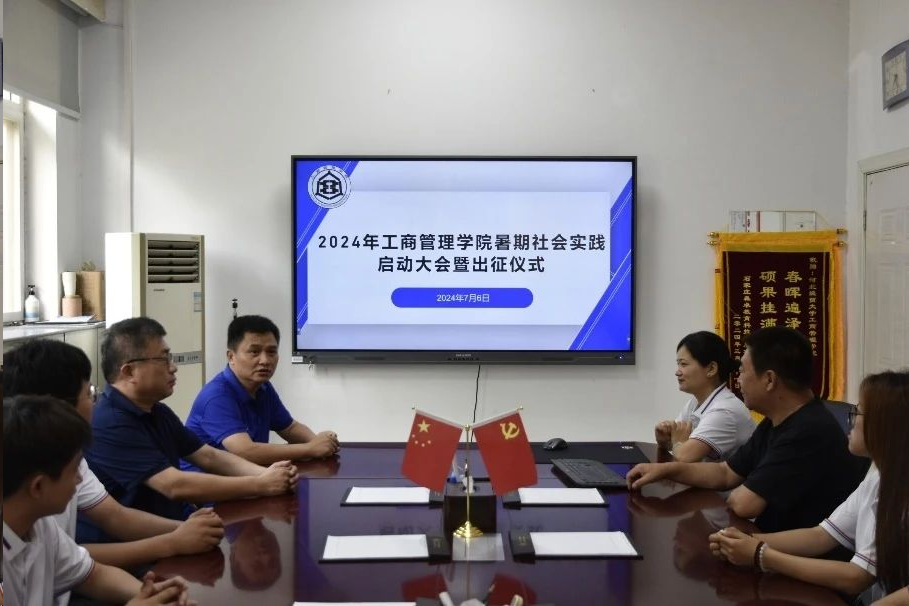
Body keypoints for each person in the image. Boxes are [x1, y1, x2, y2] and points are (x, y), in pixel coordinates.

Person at [3, 339, 224, 592]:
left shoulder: (45, 520)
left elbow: (111, 524)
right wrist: (174, 541)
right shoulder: (105, 427)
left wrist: (186, 534)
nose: (95, 401)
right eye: (90, 393)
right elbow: (174, 485)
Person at [627, 326, 867, 532]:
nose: (738, 379)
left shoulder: (808, 430)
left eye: (742, 371)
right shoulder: (777, 421)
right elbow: (725, 473)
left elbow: (744, 504)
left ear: (769, 380)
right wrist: (665, 470)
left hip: (799, 560)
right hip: (770, 543)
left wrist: (732, 492)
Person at [82, 317, 298, 543]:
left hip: (175, 529)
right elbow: (174, 485)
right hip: (135, 546)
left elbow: (208, 456)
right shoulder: (111, 421)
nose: (173, 367)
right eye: (163, 359)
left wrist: (267, 475)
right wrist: (261, 483)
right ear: (129, 372)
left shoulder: (157, 411)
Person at [709, 370, 909, 601]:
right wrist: (742, 541)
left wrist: (761, 555)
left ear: (885, 425)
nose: (850, 421)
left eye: (858, 412)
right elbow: (821, 536)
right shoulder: (877, 477)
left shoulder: (901, 490)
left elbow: (856, 577)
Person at [3, 395, 194, 606]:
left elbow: (93, 575)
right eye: (74, 469)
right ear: (38, 487)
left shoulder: (41, 526)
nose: (80, 478)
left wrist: (157, 596)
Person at [183, 315, 338, 468]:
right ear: (231, 356)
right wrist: (310, 448)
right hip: (205, 481)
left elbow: (290, 428)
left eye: (271, 352)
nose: (265, 360)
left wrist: (322, 443)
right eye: (254, 352)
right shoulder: (216, 396)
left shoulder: (263, 387)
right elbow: (245, 451)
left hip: (248, 476)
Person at [654, 331, 754, 462]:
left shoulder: (725, 411)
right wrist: (664, 440)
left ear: (711, 369)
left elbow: (683, 457)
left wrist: (677, 442)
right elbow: (678, 440)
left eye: (683, 364)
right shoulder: (695, 402)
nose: (677, 372)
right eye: (678, 364)